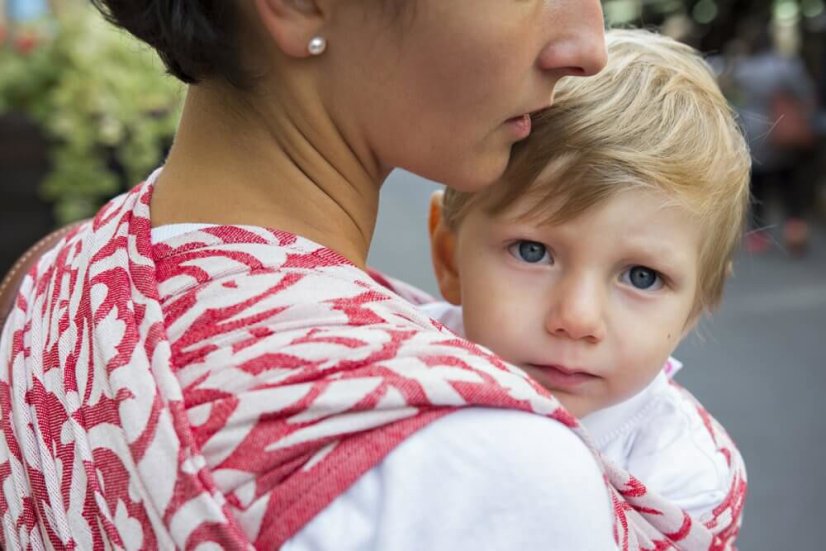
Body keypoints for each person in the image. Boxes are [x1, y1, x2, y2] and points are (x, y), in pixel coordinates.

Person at [416, 29, 748, 541]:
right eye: (533, 252)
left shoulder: (683, 477)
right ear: (449, 256)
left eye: (642, 277)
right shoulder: (396, 367)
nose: (577, 318)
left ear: (696, 307)